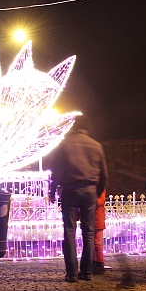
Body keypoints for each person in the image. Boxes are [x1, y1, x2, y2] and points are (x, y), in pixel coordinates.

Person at [48, 115, 108, 282]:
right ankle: (87, 271)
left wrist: (53, 191)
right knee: (88, 231)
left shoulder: (65, 144)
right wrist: (97, 192)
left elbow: (56, 171)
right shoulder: (96, 146)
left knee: (69, 231)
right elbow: (104, 175)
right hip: (89, 191)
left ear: (73, 127)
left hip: (70, 190)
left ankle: (72, 273)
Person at [92, 190, 108, 274]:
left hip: (97, 218)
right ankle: (94, 261)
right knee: (93, 242)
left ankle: (99, 262)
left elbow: (100, 201)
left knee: (97, 242)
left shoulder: (99, 187)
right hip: (93, 218)